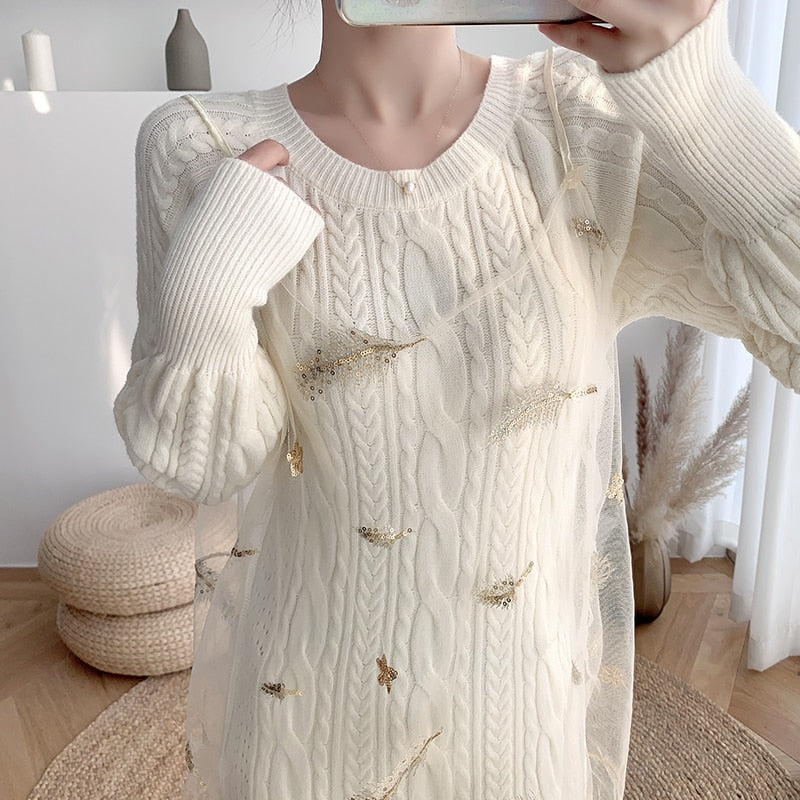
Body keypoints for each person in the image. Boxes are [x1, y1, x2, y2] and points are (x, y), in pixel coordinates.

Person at [114, 0, 800, 797]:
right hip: (302, 731)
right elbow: (201, 466)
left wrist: (704, 101)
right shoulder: (200, 144)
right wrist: (204, 301)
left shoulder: (578, 124)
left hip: (523, 735)